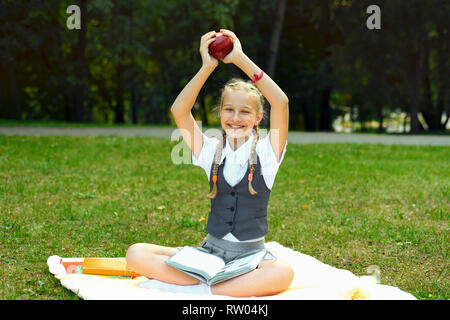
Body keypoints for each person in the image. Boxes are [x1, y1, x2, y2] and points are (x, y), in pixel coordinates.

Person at [126, 29, 293, 297]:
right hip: (210, 253)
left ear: (258, 117)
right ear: (220, 112)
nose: (236, 117)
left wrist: (239, 58)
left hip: (250, 258)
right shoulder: (211, 150)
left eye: (245, 111)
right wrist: (207, 67)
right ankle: (216, 282)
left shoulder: (267, 152)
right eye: (229, 109)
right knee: (135, 253)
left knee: (283, 272)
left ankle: (206, 285)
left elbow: (281, 101)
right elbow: (179, 111)